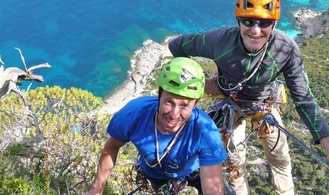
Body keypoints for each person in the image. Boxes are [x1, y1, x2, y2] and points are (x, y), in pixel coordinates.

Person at [168, 0, 329, 195]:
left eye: (264, 23)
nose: (255, 30)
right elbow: (176, 45)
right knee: (234, 163)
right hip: (229, 104)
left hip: (263, 105)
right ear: (238, 20)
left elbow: (304, 99)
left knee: (280, 159)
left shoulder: (285, 49)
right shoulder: (219, 41)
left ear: (274, 24)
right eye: (248, 21)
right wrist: (200, 82)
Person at [88, 57, 231, 195]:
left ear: (196, 104)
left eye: (184, 106)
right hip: (155, 172)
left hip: (194, 170)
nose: (174, 115)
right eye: (169, 102)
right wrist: (97, 189)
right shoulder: (133, 114)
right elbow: (112, 146)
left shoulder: (205, 130)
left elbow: (213, 190)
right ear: (159, 96)